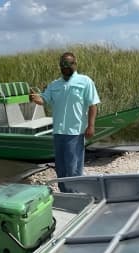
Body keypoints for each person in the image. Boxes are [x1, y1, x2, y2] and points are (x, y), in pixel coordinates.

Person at [30, 52, 100, 185]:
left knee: (73, 169)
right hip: (58, 132)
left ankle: (76, 198)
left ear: (75, 64)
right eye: (63, 64)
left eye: (69, 63)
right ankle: (65, 196)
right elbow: (43, 99)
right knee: (61, 169)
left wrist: (91, 126)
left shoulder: (85, 81)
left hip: (75, 132)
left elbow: (93, 105)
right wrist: (35, 98)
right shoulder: (54, 84)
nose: (66, 67)